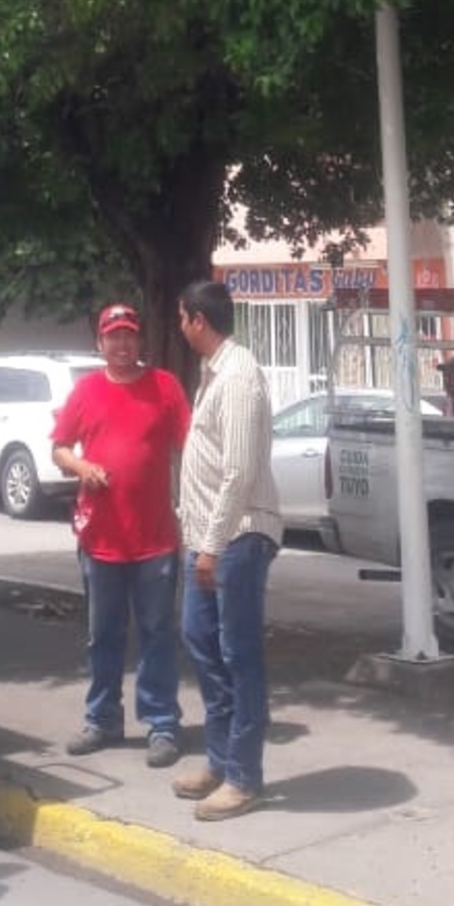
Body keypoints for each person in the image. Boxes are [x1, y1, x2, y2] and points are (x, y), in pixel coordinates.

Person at [51, 302, 192, 766]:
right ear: (100, 343)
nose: (122, 343)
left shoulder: (165, 387)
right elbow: (59, 448)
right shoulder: (86, 391)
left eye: (129, 334)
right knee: (103, 636)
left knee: (157, 633)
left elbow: (190, 448)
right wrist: (81, 466)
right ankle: (103, 720)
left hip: (156, 539)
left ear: (139, 340)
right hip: (101, 539)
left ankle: (162, 724)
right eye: (113, 336)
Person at [172, 278, 282, 821]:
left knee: (238, 655)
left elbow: (238, 472)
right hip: (209, 541)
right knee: (202, 644)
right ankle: (220, 761)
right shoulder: (213, 375)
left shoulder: (238, 377)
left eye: (182, 318)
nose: (179, 327)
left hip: (237, 537)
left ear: (198, 320)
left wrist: (212, 547)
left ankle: (243, 777)